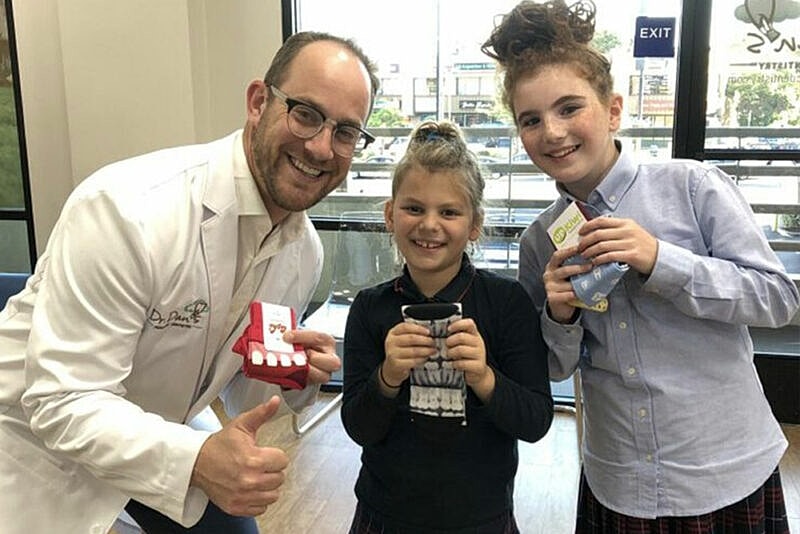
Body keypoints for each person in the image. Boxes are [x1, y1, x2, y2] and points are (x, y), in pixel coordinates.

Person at [0, 31, 380, 534]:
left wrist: (294, 374)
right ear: (258, 102)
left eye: (347, 132)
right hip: (35, 452)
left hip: (158, 427)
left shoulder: (302, 250)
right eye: (305, 113)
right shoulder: (128, 210)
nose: (321, 147)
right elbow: (61, 402)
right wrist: (197, 459)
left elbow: (242, 385)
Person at [481, 1, 800, 532]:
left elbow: (779, 298)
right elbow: (554, 369)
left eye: (569, 108)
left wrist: (663, 261)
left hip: (724, 468)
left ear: (612, 109)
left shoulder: (692, 187)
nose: (553, 132)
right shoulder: (541, 239)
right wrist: (559, 317)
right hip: (618, 479)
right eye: (531, 120)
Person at [341, 120, 554, 533]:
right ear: (390, 214)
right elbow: (358, 426)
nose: (429, 224)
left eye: (450, 212)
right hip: (384, 515)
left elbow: (535, 421)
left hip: (481, 518)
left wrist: (484, 377)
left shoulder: (507, 303)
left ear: (475, 224)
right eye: (414, 208)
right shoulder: (370, 308)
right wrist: (387, 377)